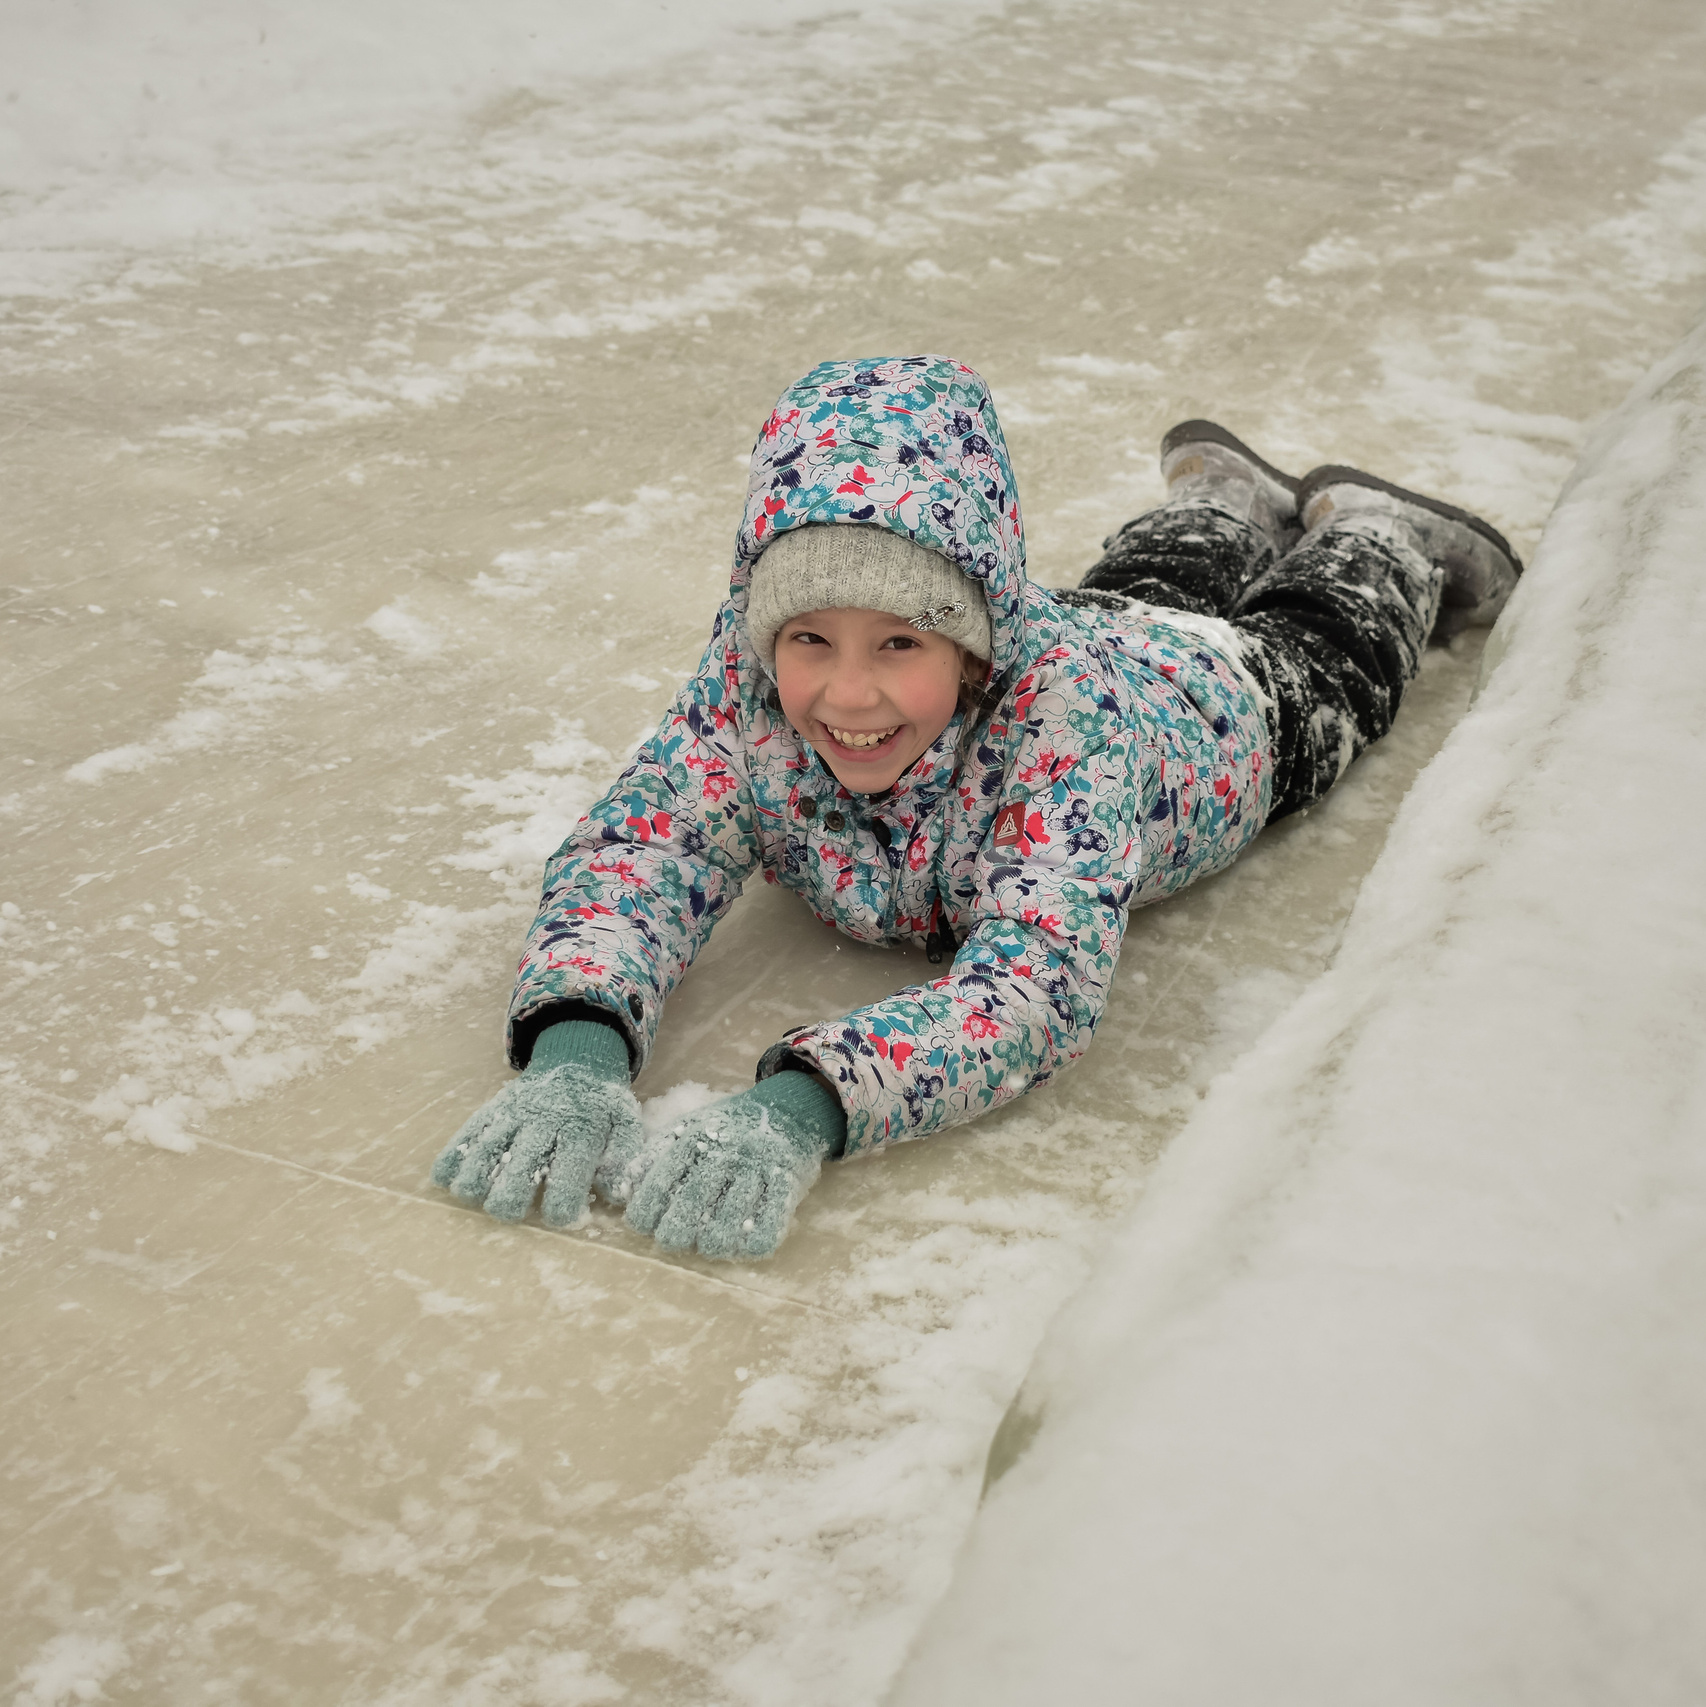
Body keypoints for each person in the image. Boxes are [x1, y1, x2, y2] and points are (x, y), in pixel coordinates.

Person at [430, 354, 1520, 1260]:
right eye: (811, 639)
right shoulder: (745, 688)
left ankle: (1375, 532)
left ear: (971, 637)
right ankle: (1218, 507)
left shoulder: (1059, 731)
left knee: (1322, 645)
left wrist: (806, 1103)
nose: (847, 694)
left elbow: (1033, 986)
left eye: (898, 643)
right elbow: (642, 849)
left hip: (1229, 716)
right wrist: (578, 1046)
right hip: (1097, 622)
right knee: (1141, 583)